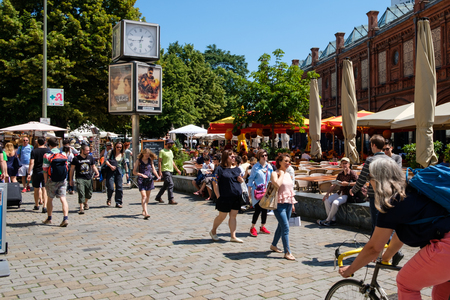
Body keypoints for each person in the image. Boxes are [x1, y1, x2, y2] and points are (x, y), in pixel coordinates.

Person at [339, 156, 450, 299]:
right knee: (440, 292)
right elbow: (399, 235)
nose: (368, 182)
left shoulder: (392, 202)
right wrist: (386, 257)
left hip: (445, 247)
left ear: (377, 179)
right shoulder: (411, 191)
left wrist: (350, 269)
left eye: (368, 177)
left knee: (405, 283)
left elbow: (373, 248)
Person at [350, 134, 386, 230]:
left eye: (371, 144)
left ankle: (375, 243)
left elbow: (361, 179)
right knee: (386, 221)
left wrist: (353, 190)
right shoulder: (390, 160)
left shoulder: (371, 160)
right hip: (388, 193)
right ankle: (387, 241)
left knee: (376, 221)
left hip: (375, 194)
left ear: (374, 145)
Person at [210, 150, 245, 243]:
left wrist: (241, 180)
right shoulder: (219, 169)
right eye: (231, 156)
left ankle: (233, 236)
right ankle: (213, 231)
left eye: (234, 156)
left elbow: (240, 181)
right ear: (225, 157)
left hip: (236, 196)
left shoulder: (237, 169)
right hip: (224, 196)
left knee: (233, 216)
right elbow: (215, 182)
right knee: (222, 216)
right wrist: (218, 196)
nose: (233, 158)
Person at [270, 154, 297, 260]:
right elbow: (277, 185)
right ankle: (287, 252)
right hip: (279, 204)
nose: (288, 163)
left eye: (289, 162)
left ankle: (273, 245)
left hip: (289, 203)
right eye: (286, 161)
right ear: (279, 162)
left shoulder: (288, 174)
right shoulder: (274, 173)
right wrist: (281, 174)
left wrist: (293, 204)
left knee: (281, 226)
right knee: (285, 227)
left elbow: (290, 190)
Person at [317, 157, 358, 226]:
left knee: (335, 203)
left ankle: (327, 220)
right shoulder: (340, 174)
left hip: (347, 194)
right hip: (340, 192)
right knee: (326, 200)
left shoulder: (352, 173)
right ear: (341, 165)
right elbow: (334, 185)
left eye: (346, 163)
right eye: (343, 163)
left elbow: (358, 183)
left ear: (349, 164)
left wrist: (348, 184)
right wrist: (327, 194)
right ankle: (333, 220)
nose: (344, 165)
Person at [42, 137, 69, 227]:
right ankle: (65, 218)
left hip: (51, 179)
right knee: (63, 198)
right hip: (62, 179)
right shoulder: (64, 154)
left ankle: (49, 218)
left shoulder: (47, 155)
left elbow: (45, 170)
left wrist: (45, 182)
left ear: (49, 145)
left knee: (50, 199)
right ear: (57, 144)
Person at [247, 150, 273, 237]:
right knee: (258, 209)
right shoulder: (255, 167)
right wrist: (249, 192)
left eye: (266, 155)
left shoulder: (269, 166)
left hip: (267, 190)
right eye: (262, 155)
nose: (265, 157)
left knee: (265, 209)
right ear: (259, 157)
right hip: (257, 191)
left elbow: (272, 178)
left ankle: (262, 226)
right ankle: (252, 227)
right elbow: (251, 179)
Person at [69, 144, 99, 214]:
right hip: (80, 178)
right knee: (81, 192)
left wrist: (97, 173)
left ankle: (85, 202)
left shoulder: (90, 158)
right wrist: (70, 179)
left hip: (88, 177)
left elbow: (93, 166)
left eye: (89, 150)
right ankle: (81, 208)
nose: (88, 151)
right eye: (87, 150)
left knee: (89, 193)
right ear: (82, 150)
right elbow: (72, 169)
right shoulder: (76, 159)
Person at [133, 149, 161, 219]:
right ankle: (146, 213)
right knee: (144, 196)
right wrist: (141, 175)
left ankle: (144, 209)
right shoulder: (138, 161)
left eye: (148, 155)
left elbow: (153, 169)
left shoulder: (150, 160)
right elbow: (134, 172)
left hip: (149, 180)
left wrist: (157, 176)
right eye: (146, 155)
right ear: (143, 154)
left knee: (147, 197)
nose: (147, 156)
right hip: (141, 180)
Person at [155, 139, 181, 205]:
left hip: (170, 169)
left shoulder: (171, 151)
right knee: (171, 184)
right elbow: (159, 161)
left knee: (165, 185)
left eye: (172, 143)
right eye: (170, 143)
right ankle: (171, 199)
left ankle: (158, 197)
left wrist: (177, 169)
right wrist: (160, 171)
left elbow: (172, 161)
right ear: (167, 143)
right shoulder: (162, 151)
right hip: (165, 170)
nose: (172, 144)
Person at [28, 138, 51, 212]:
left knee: (36, 189)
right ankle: (44, 206)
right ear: (45, 142)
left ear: (37, 142)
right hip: (45, 171)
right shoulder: (48, 151)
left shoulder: (34, 151)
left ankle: (37, 205)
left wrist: (29, 173)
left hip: (36, 171)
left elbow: (32, 162)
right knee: (44, 188)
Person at [104, 141, 129, 208]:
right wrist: (110, 166)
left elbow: (125, 163)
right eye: (117, 147)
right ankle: (109, 198)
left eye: (120, 147)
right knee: (111, 187)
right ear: (115, 147)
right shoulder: (110, 152)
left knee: (119, 187)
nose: (119, 148)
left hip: (119, 171)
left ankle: (118, 202)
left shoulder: (123, 154)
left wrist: (127, 173)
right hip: (111, 170)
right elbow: (105, 160)